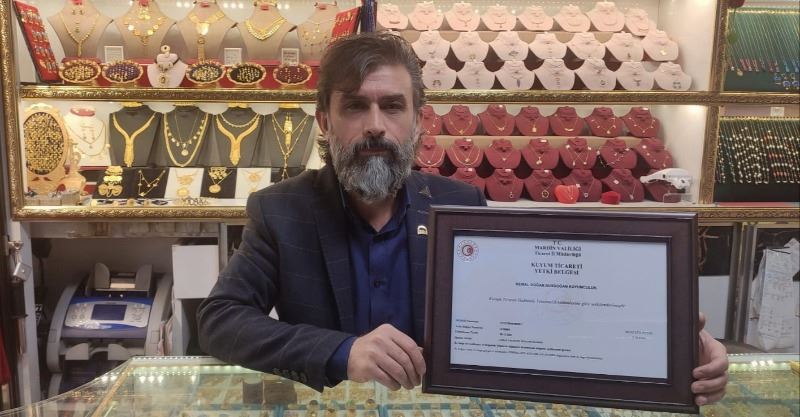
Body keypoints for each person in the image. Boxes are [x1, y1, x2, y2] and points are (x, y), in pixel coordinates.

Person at [197, 32, 728, 406]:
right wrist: (342, 351)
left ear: (417, 122)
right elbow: (220, 320)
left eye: (393, 106)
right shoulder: (280, 210)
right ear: (324, 120)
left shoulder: (462, 206)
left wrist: (670, 343)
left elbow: (544, 312)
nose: (375, 125)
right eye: (355, 106)